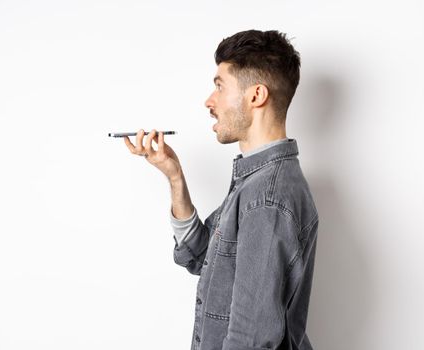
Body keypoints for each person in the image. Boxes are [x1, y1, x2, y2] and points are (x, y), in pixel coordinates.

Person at [123, 29, 319, 350]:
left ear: (256, 96)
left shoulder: (266, 198)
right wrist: (174, 175)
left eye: (219, 86)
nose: (209, 101)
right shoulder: (256, 181)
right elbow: (203, 258)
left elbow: (250, 340)